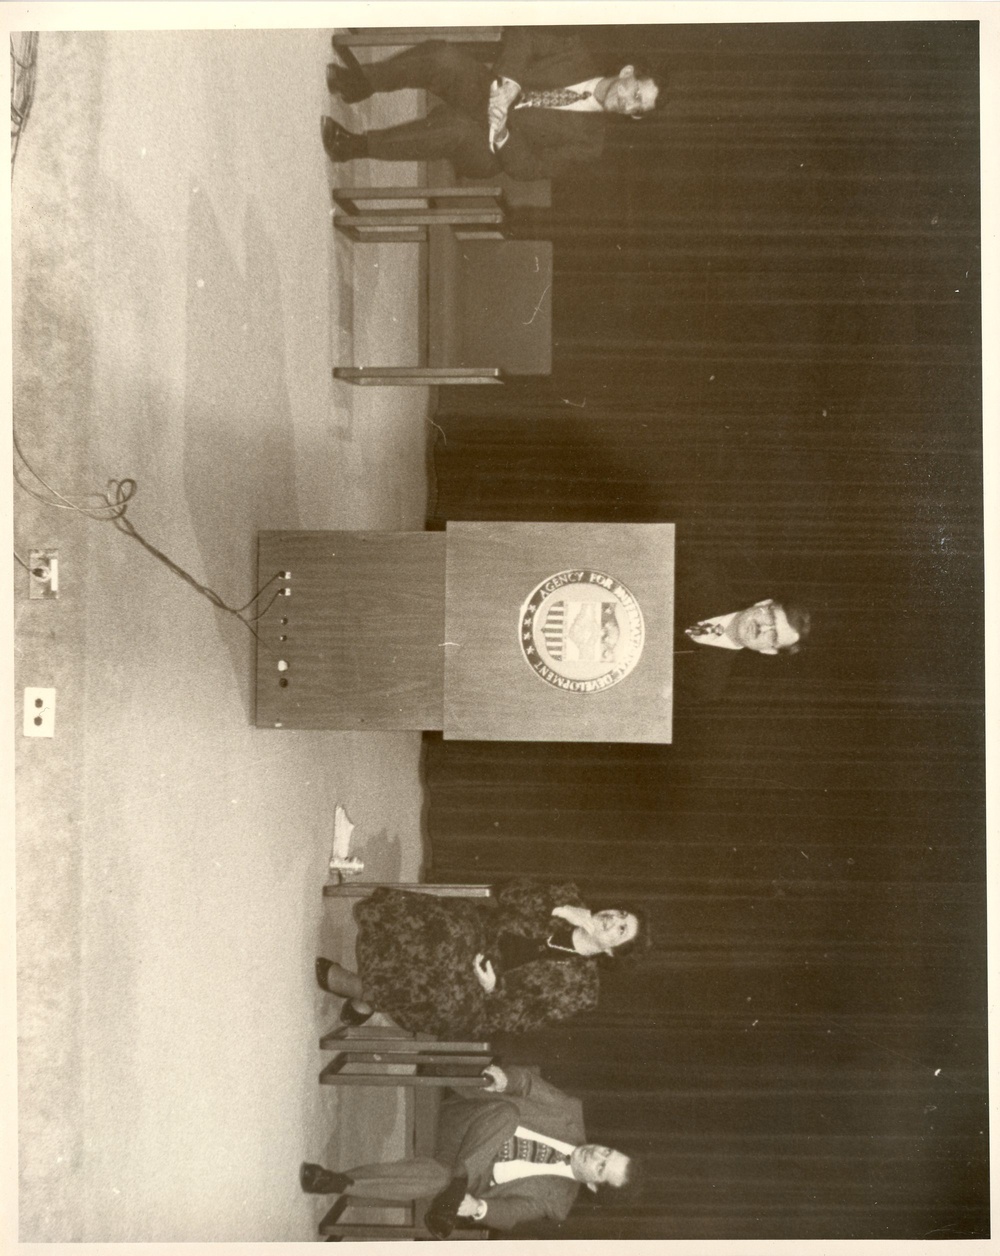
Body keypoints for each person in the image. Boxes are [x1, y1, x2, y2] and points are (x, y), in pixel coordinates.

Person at [300, 1063, 637, 1236]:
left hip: (460, 1174)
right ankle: (459, 1180)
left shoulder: (557, 1202)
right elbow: (530, 1085)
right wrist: (508, 1080)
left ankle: (338, 1181)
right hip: (464, 1124)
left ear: (593, 1185)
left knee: (442, 1178)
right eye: (607, 1152)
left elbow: (513, 1213)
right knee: (507, 1113)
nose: (596, 1154)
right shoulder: (569, 1113)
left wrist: (478, 1209)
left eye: (601, 1168)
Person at [315, 878, 646, 1036]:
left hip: (482, 1000)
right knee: (450, 935)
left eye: (620, 930)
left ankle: (361, 989)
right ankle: (368, 994)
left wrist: (493, 989)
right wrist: (559, 908)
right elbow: (507, 892)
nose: (611, 920)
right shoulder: (568, 896)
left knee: (449, 981)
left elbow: (520, 1021)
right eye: (619, 914)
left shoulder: (581, 991)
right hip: (482, 932)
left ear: (613, 952)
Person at [321, 28, 662, 180]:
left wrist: (501, 134)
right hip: (490, 90)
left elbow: (532, 169)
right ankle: (359, 84)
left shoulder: (591, 144)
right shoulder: (577, 53)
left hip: (489, 149)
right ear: (627, 72)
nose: (628, 103)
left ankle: (354, 146)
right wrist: (510, 83)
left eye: (637, 108)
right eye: (635, 93)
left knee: (455, 128)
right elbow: (523, 36)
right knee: (442, 57)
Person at [673, 558, 811, 704]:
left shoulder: (706, 686)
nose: (762, 628)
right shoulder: (702, 577)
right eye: (771, 618)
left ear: (769, 651)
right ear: (763, 603)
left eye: (774, 636)